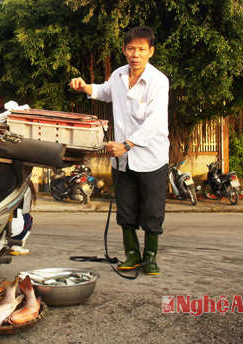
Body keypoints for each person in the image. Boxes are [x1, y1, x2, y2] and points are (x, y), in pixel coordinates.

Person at [69, 26, 169, 275]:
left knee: (151, 210)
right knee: (126, 208)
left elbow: (154, 123)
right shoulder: (118, 76)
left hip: (151, 159)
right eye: (131, 48)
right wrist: (85, 88)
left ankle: (150, 257)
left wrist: (126, 144)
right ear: (124, 50)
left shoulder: (158, 81)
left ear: (151, 51)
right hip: (122, 161)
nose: (136, 54)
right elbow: (105, 91)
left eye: (142, 49)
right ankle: (132, 255)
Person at [9, 183, 35, 255]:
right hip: (15, 218)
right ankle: (16, 245)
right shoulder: (25, 188)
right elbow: (25, 210)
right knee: (28, 219)